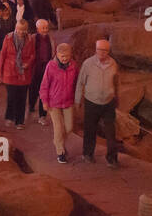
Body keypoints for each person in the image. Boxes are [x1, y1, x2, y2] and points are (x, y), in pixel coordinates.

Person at [75, 38, 120, 167]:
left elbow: (116, 82)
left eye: (105, 50)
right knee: (90, 129)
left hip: (108, 102)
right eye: (99, 49)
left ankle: (112, 158)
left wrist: (117, 97)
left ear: (108, 51)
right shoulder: (88, 64)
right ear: (95, 50)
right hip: (91, 101)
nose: (101, 52)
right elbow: (81, 82)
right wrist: (78, 100)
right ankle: (88, 154)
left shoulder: (113, 64)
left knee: (111, 131)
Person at [39, 42, 78, 162]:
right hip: (54, 102)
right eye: (62, 56)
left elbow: (77, 83)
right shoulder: (51, 66)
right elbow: (44, 85)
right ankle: (60, 151)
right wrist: (44, 101)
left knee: (69, 127)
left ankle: (58, 141)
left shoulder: (74, 66)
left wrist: (77, 100)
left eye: (67, 56)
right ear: (57, 54)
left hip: (68, 101)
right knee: (58, 127)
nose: (65, 59)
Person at [0, 18, 36, 128]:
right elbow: (3, 55)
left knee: (22, 97)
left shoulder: (30, 39)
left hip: (24, 73)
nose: (21, 32)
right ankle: (9, 117)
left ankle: (19, 121)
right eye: (19, 29)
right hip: (10, 71)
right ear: (15, 28)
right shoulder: (8, 37)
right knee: (11, 97)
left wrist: (28, 63)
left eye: (23, 30)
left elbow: (33, 55)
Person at [27, 18, 53, 125]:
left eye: (46, 28)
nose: (45, 30)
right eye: (43, 28)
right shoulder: (32, 38)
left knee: (45, 92)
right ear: (37, 29)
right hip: (34, 69)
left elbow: (53, 53)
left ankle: (42, 116)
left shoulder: (50, 39)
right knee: (33, 90)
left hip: (46, 69)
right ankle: (31, 106)